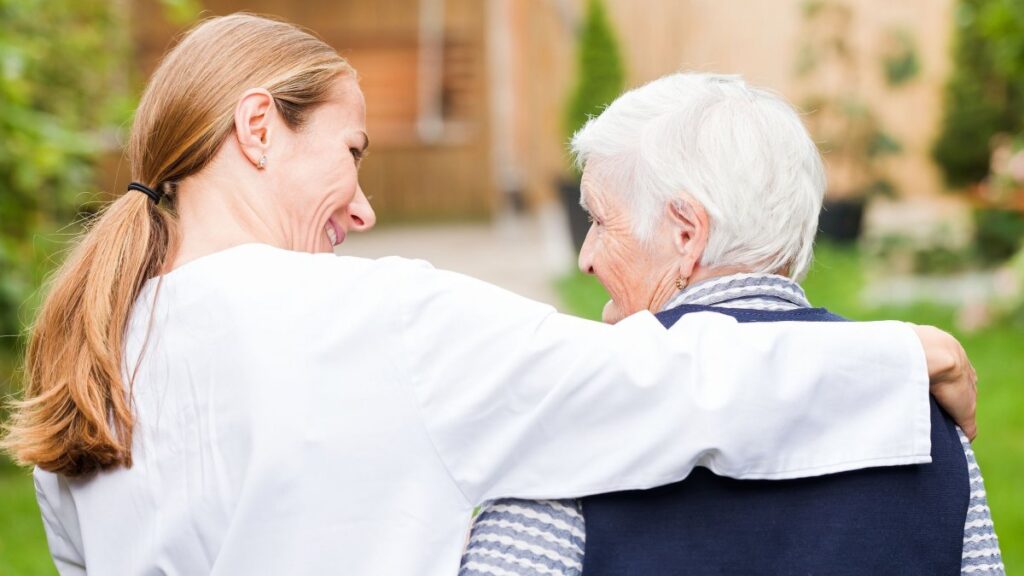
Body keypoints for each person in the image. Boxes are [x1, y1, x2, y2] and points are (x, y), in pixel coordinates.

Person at [0, 15, 976, 576]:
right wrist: (903, 354)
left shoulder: (86, 371)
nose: (364, 208)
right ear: (259, 129)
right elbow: (663, 380)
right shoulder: (376, 322)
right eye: (351, 152)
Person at [460, 73, 1002, 576]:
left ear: (686, 233)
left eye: (599, 220)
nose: (586, 258)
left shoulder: (578, 411)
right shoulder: (919, 406)